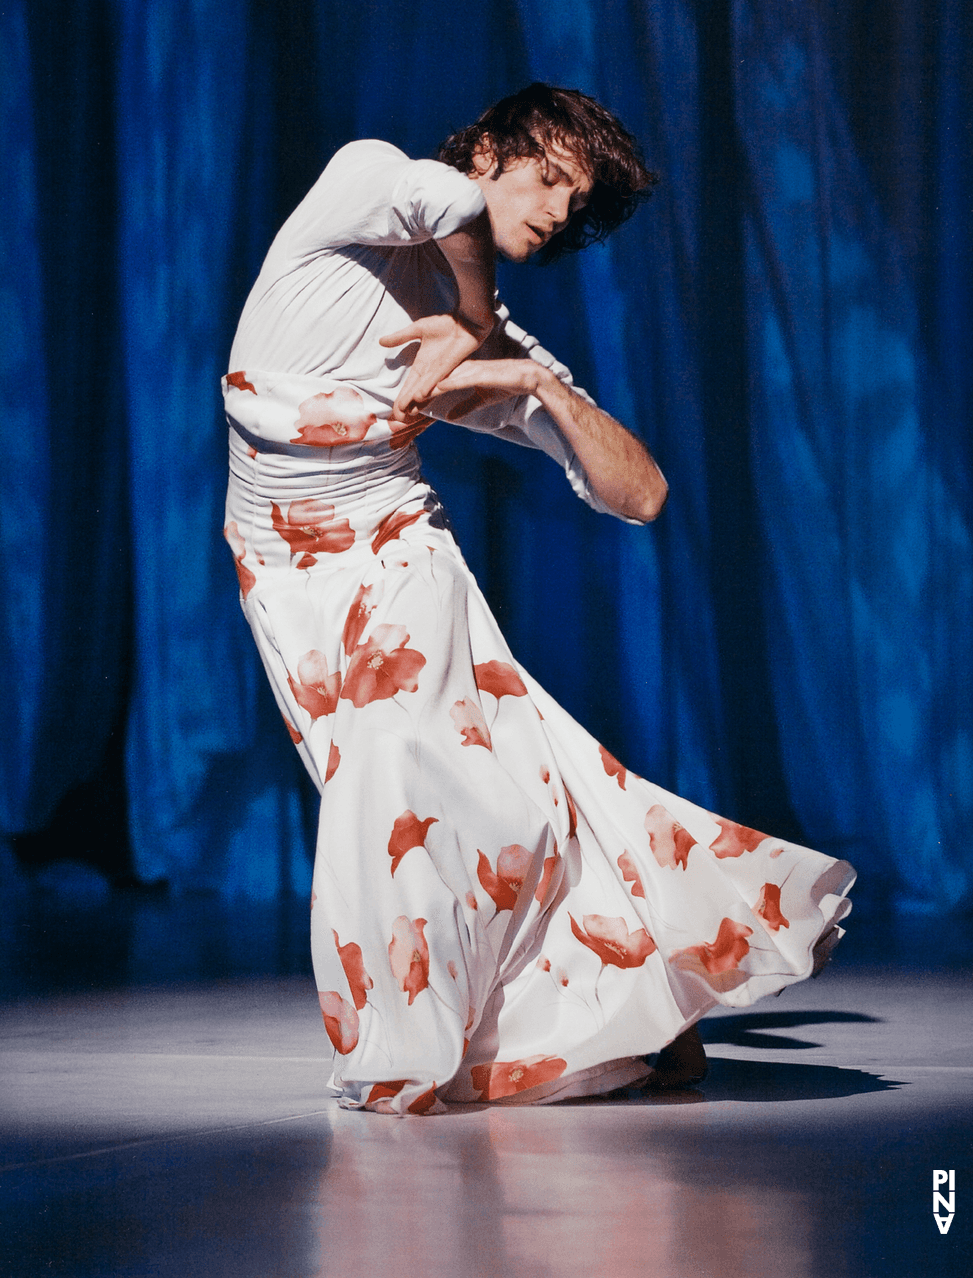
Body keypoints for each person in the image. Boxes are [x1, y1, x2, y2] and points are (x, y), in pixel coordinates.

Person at [222, 83, 854, 1115]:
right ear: (483, 147)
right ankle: (630, 1007)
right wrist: (471, 321)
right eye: (550, 177)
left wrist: (541, 388)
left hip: (396, 551)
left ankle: (405, 1055)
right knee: (500, 788)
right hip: (281, 574)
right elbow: (450, 206)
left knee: (396, 780)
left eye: (580, 199)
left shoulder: (500, 344)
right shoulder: (363, 184)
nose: (560, 212)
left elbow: (641, 495)